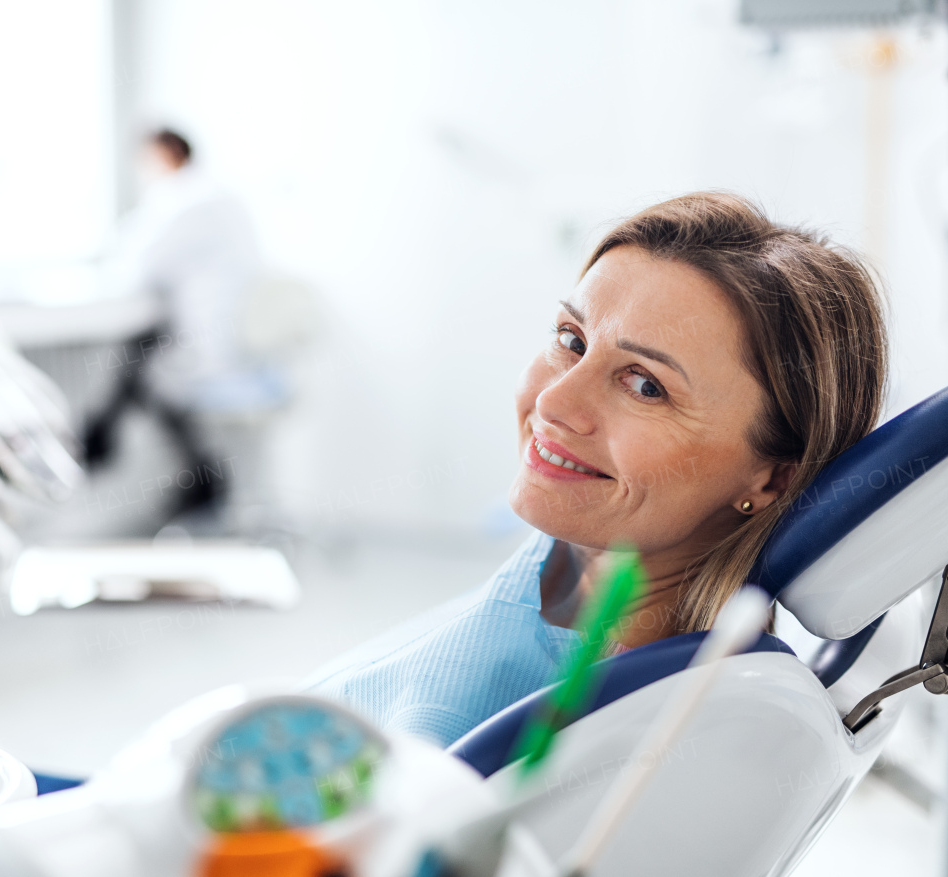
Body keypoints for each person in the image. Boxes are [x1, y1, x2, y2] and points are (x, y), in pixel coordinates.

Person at [302, 192, 889, 747]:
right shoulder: (574, 567)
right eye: (571, 339)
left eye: (645, 386)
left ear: (772, 480)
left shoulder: (510, 727)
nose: (554, 402)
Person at [85, 129, 261, 518]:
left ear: (166, 153)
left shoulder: (187, 200)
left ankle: (103, 440)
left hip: (211, 342)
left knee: (143, 369)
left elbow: (139, 266)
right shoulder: (213, 195)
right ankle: (196, 475)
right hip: (220, 332)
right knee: (139, 359)